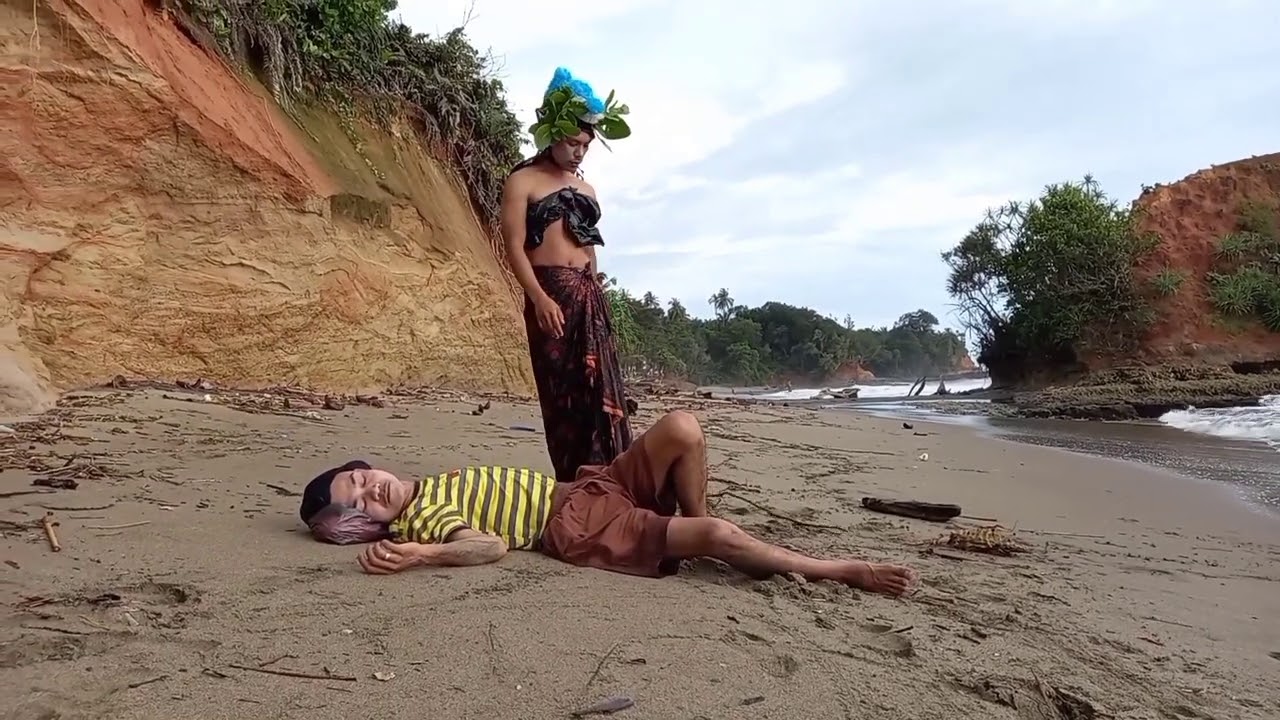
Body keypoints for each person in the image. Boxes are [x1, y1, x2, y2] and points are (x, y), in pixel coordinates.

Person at [298, 410, 918, 597]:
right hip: (575, 524)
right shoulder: (422, 520)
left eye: (362, 478)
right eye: (361, 504)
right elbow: (489, 545)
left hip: (586, 487)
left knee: (683, 427)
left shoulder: (434, 482)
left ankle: (692, 523)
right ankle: (840, 570)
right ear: (361, 524)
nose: (372, 490)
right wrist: (421, 555)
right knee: (719, 537)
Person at [500, 67, 635, 482]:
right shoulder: (522, 181)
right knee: (562, 390)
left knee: (598, 389)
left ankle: (610, 477)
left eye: (586, 146)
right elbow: (513, 247)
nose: (579, 152)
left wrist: (597, 288)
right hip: (550, 293)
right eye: (572, 143)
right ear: (552, 135)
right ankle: (573, 479)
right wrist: (539, 298)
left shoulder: (587, 190)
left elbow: (588, 246)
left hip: (587, 295)